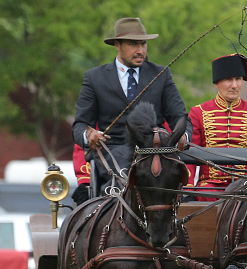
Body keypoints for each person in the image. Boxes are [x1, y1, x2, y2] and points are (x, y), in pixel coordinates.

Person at [71, 17, 190, 204]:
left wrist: (183, 137)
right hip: (113, 152)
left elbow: (180, 117)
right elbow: (79, 125)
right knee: (122, 187)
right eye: (133, 44)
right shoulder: (94, 78)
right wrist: (89, 135)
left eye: (143, 44)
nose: (140, 50)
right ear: (117, 45)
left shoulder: (162, 74)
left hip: (154, 151)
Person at [186, 54, 247, 200]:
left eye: (238, 79)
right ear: (216, 83)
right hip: (209, 187)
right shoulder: (199, 112)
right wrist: (187, 189)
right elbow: (189, 152)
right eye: (228, 79)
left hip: (246, 187)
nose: (234, 85)